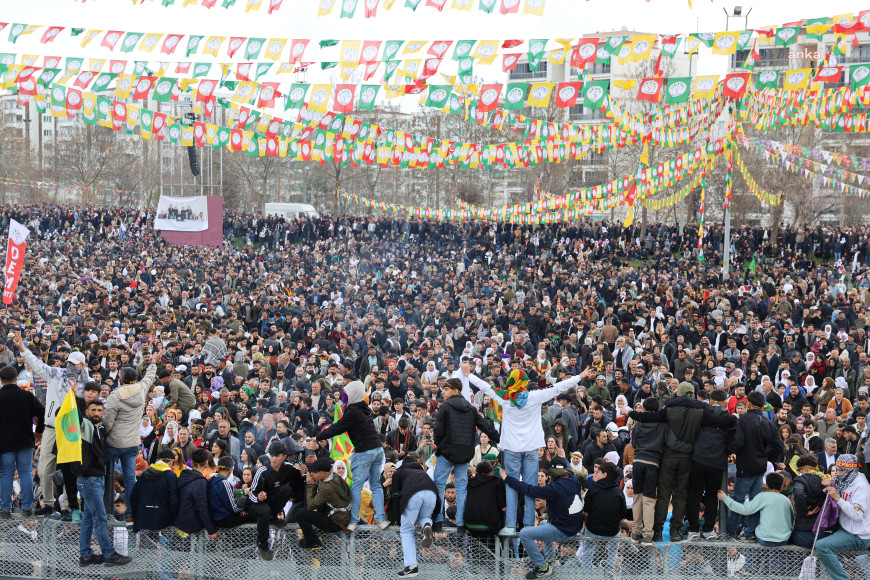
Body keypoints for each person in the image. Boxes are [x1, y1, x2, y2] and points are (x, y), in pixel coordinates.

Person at [470, 367, 590, 535]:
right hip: (532, 447)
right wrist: (580, 375)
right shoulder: (534, 396)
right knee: (531, 486)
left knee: (511, 486)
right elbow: (558, 387)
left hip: (512, 448)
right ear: (524, 383)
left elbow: (485, 386)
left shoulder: (504, 397)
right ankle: (528, 525)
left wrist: (468, 374)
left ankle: (511, 525)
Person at [15, 332, 90, 516]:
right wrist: (23, 350)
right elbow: (36, 365)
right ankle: (48, 504)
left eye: (74, 363)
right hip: (51, 428)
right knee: (43, 469)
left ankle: (66, 507)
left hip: (72, 431)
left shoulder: (87, 384)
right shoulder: (56, 373)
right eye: (69, 362)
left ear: (82, 365)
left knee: (68, 472)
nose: (70, 365)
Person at [316, 380, 389, 531]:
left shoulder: (353, 411)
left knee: (356, 486)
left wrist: (319, 436)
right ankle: (381, 519)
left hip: (365, 451)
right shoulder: (363, 408)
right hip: (377, 450)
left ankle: (354, 520)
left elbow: (338, 427)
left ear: (353, 395)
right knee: (376, 485)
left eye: (346, 396)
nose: (344, 399)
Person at [499, 457, 586, 579]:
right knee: (544, 523)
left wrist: (507, 478)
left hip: (563, 531)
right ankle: (550, 560)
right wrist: (562, 457)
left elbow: (529, 490)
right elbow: (568, 470)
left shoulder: (554, 488)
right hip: (573, 527)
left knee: (524, 534)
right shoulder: (574, 480)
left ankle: (542, 567)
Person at [432, 377, 499, 532]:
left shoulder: (445, 407)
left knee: (439, 485)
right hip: (464, 454)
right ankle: (461, 523)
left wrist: (439, 445)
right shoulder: (470, 408)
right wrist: (497, 437)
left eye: (446, 389)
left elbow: (438, 430)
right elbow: (484, 424)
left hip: (447, 452)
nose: (443, 391)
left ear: (456, 391)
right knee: (462, 488)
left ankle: (438, 521)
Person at [104, 348, 161, 521]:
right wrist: (153, 362)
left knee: (105, 474)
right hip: (131, 443)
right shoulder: (141, 389)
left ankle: (106, 510)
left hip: (114, 443)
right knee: (129, 478)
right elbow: (149, 377)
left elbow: (108, 423)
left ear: (120, 379)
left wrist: (101, 437)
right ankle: (130, 512)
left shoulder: (115, 396)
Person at [75, 400, 132, 567]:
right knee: (100, 518)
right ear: (86, 412)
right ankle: (109, 553)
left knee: (89, 518)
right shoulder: (84, 426)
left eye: (99, 410)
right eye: (93, 410)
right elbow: (73, 415)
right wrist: (75, 396)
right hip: (88, 479)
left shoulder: (101, 428)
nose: (96, 413)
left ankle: (85, 555)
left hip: (97, 479)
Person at [727, 390, 784, 541]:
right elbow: (779, 447)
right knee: (755, 501)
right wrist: (766, 458)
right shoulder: (768, 422)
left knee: (738, 500)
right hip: (760, 467)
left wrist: (729, 449)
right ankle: (750, 532)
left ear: (749, 404)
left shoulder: (744, 420)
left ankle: (731, 532)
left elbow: (738, 442)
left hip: (745, 466)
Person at [687, 388, 735, 541]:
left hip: (698, 459)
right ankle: (708, 529)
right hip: (716, 462)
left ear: (711, 400)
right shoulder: (729, 418)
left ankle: (693, 530)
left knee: (694, 494)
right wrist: (724, 452)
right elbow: (732, 441)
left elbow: (691, 432)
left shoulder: (701, 413)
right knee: (711, 496)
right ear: (725, 402)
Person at [814, 454, 870, 580]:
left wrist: (837, 498)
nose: (837, 473)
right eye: (837, 469)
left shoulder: (861, 486)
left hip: (858, 535)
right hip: (847, 528)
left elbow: (857, 514)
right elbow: (838, 484)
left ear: (850, 470)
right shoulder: (848, 478)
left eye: (840, 470)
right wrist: (830, 483)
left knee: (822, 546)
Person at [247, 440, 304, 559]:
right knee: (265, 510)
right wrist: (258, 497)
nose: (274, 459)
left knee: (286, 490)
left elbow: (300, 475)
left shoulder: (289, 468)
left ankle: (272, 517)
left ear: (284, 456)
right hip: (256, 505)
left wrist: (305, 471)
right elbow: (251, 494)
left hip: (271, 503)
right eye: (272, 456)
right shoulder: (262, 471)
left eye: (277, 456)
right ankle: (262, 544)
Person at [0, 364, 44, 517]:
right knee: (25, 472)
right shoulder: (27, 396)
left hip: (4, 442)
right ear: (16, 379)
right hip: (25, 439)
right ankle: (26, 507)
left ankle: (5, 508)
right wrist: (39, 432)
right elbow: (42, 412)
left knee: (6, 474)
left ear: (1, 380)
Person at [392, 452, 440, 578]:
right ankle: (427, 525)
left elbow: (395, 496)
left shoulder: (399, 472)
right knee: (424, 517)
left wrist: (398, 519)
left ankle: (411, 566)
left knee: (406, 530)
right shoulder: (422, 472)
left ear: (403, 464)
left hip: (413, 494)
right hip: (432, 494)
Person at [718, 472, 794, 546]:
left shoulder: (762, 496)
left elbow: (745, 510)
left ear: (766, 486)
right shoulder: (786, 500)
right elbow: (791, 521)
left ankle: (750, 557)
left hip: (764, 539)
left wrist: (725, 498)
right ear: (781, 487)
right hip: (783, 540)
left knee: (750, 537)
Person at [628, 397, 665, 545]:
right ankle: (648, 535)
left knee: (637, 497)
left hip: (638, 461)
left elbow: (633, 443)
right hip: (653, 462)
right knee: (649, 499)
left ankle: (636, 532)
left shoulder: (639, 424)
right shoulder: (662, 425)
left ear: (644, 409)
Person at [295, 457, 351, 549]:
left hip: (335, 523)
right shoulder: (335, 477)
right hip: (342, 518)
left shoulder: (326, 488)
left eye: (315, 472)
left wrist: (310, 485)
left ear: (324, 473)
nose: (312, 474)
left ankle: (312, 541)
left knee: (300, 513)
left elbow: (310, 506)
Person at [581, 461, 626, 572]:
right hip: (612, 531)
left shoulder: (592, 489)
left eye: (599, 472)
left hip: (593, 530)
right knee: (614, 545)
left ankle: (586, 570)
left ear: (605, 475)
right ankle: (610, 570)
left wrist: (589, 526)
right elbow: (621, 517)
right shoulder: (619, 492)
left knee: (588, 545)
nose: (597, 473)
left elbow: (586, 513)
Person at [173, 449, 220, 542]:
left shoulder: (181, 476)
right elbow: (202, 508)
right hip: (190, 529)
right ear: (206, 463)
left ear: (192, 463)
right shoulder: (200, 482)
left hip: (177, 524)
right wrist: (211, 530)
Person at [130, 449, 179, 534]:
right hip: (163, 520)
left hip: (143, 518)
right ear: (171, 461)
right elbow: (173, 499)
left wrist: (136, 515)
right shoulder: (171, 476)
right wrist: (174, 517)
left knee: (144, 546)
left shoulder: (144, 474)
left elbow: (133, 497)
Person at [790, 454, 828, 548]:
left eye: (800, 470)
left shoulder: (801, 479)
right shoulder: (826, 479)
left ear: (806, 468)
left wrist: (805, 512)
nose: (799, 473)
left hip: (804, 532)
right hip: (825, 531)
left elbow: (799, 494)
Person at [464, 460, 507, 538]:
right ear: (491, 472)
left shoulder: (469, 482)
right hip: (490, 526)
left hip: (469, 525)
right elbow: (503, 507)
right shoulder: (497, 482)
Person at [209, 456, 248, 528]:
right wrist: (245, 506)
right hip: (223, 519)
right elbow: (234, 508)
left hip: (214, 518)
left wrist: (242, 492)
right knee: (250, 516)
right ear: (231, 470)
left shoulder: (212, 479)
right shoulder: (224, 482)